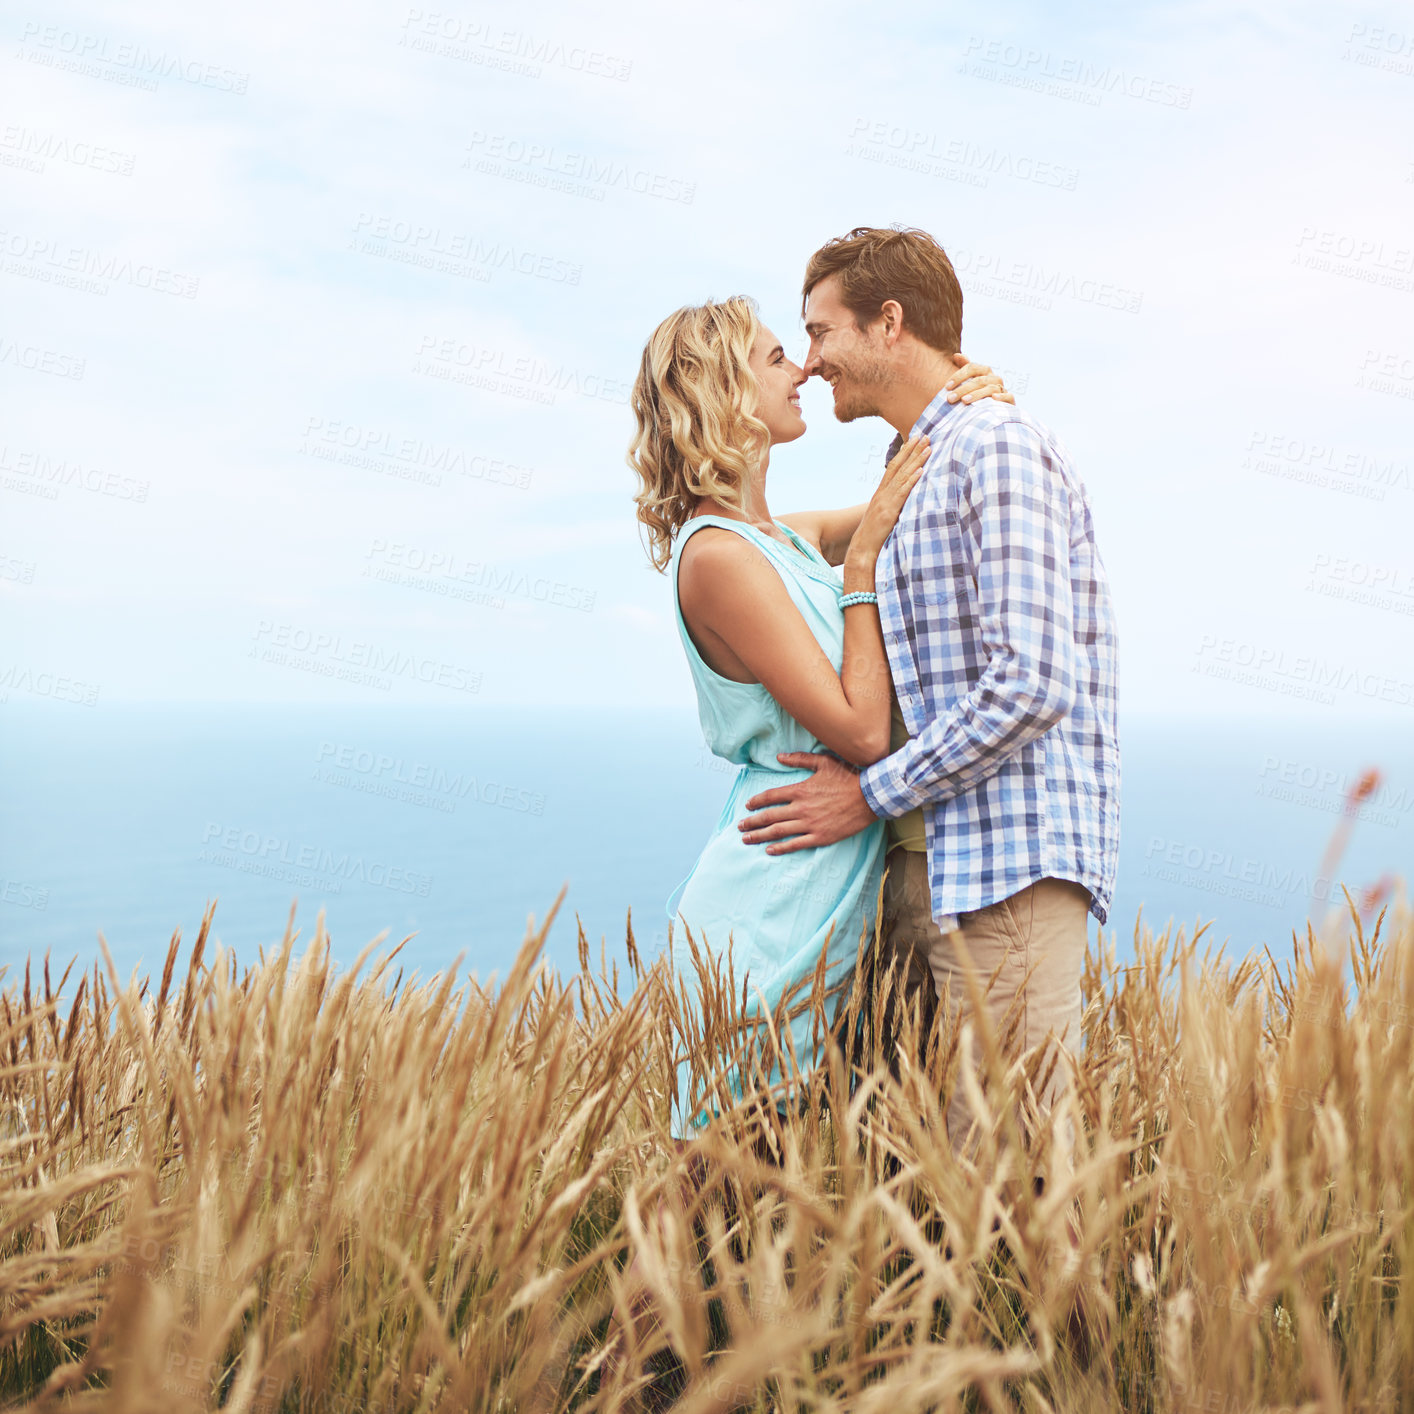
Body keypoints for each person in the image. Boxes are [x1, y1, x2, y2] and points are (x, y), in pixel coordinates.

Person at [735, 226, 1121, 1165]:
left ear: (888, 323)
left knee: (1013, 1190)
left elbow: (1030, 682)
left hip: (1005, 877)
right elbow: (749, 543)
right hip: (923, 868)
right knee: (922, 1185)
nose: (813, 359)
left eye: (822, 332)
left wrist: (864, 794)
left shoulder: (996, 450)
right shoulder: (917, 462)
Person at [628, 295, 1011, 1140]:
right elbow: (863, 731)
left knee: (782, 1189)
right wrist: (864, 563)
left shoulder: (777, 538)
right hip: (772, 901)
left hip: (820, 884)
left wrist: (956, 398)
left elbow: (899, 492)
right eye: (774, 359)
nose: (800, 369)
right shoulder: (719, 558)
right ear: (722, 391)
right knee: (726, 1182)